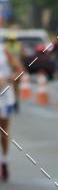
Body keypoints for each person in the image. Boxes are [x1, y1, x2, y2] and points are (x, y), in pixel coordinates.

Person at [0, 38, 23, 180]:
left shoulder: (4, 51)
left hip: (4, 97)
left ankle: (4, 161)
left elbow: (20, 71)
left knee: (4, 131)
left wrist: (8, 78)